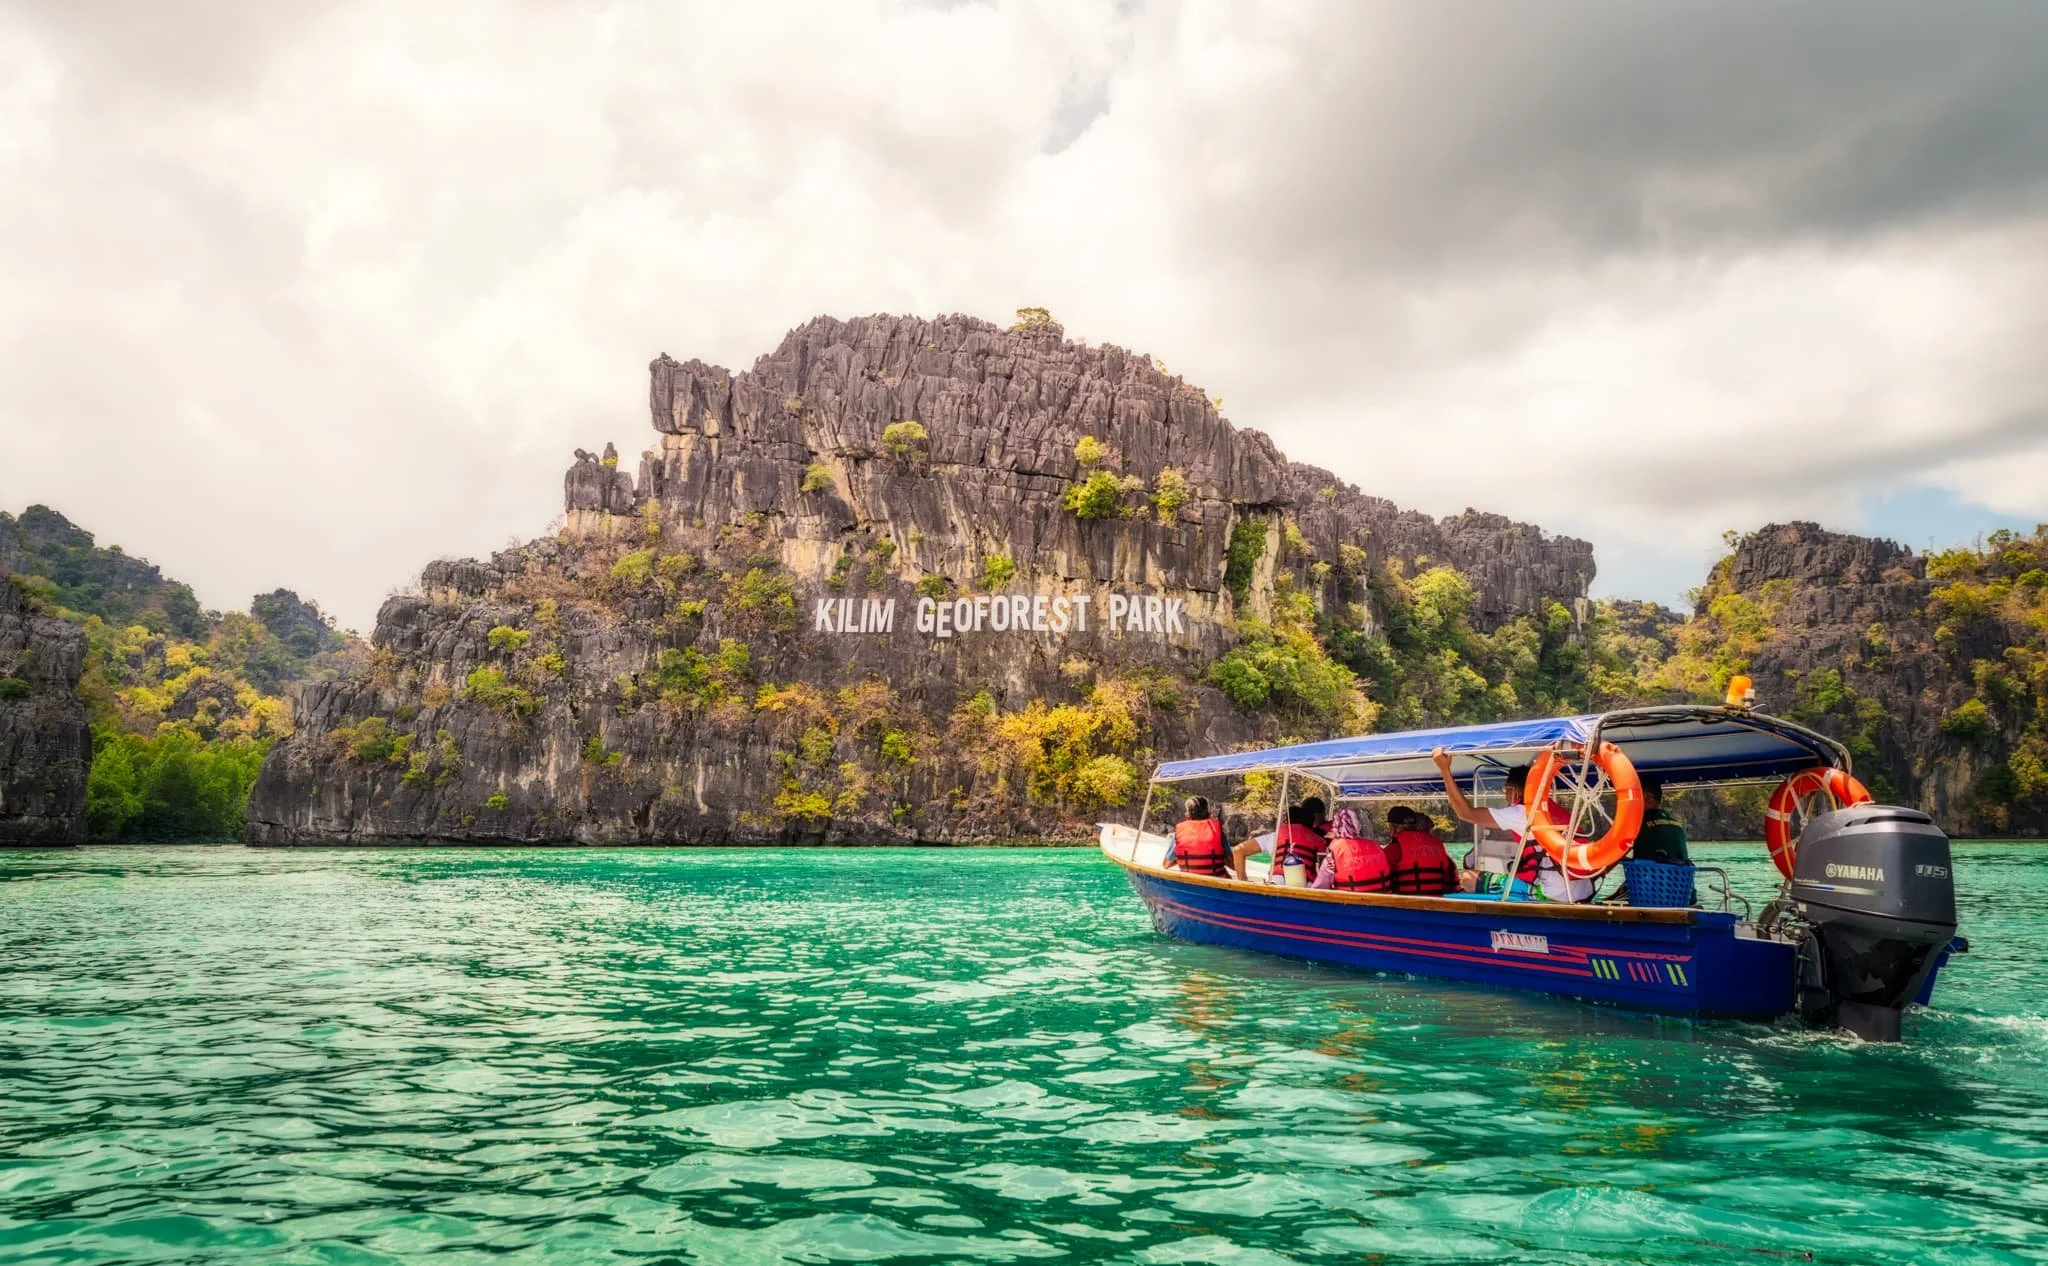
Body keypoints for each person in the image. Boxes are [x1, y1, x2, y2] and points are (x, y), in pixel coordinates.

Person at [1428, 747, 1594, 903]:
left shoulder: (1522, 813)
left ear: (1517, 790)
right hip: (1583, 892)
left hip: (1551, 895)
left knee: (1469, 878)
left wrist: (1444, 769)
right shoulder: (1555, 810)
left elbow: (1466, 813)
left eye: (1507, 790)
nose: (1506, 797)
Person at [1233, 800, 1330, 882]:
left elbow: (1238, 850)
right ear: (1311, 824)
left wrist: (1243, 881)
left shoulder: (1276, 836)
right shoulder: (1320, 841)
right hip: (1307, 889)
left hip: (1277, 884)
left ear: (1287, 821)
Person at [1383, 806, 1459, 896]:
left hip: (1408, 903)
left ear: (1393, 827)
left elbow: (1379, 872)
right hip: (1438, 901)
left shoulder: (1395, 848)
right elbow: (1450, 871)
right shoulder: (1437, 843)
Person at [1313, 808, 1391, 891]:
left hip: (1350, 902)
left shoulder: (1334, 854)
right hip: (1381, 900)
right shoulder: (1376, 847)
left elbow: (1321, 886)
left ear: (1337, 825)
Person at [1164, 795, 1230, 877]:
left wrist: (1182, 859)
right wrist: (1221, 859)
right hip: (1216, 879)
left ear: (1187, 815)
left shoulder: (1178, 834)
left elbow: (1166, 864)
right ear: (1209, 814)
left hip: (1189, 881)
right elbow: (1232, 864)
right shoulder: (1219, 831)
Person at [1631, 777, 1690, 864]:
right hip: (1680, 876)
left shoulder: (1640, 822)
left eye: (1635, 796)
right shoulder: (1676, 824)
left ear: (1647, 797)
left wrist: (1606, 867)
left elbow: (1620, 850)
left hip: (1648, 875)